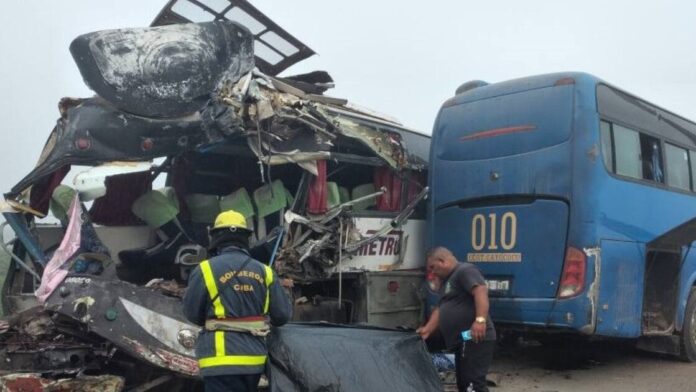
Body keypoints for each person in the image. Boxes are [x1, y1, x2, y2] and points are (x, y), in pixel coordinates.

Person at [183, 210, 292, 392]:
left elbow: (192, 314)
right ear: (246, 238)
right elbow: (282, 316)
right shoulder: (265, 272)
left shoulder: (205, 270)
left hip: (219, 360)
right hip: (253, 361)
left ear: (216, 237)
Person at [417, 247, 496, 392]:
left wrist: (480, 320)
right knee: (463, 381)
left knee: (473, 382)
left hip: (475, 335)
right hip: (463, 337)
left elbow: (480, 290)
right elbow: (441, 308)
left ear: (442, 261)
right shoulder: (448, 281)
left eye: (433, 267)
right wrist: (427, 329)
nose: (432, 272)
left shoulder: (465, 270)